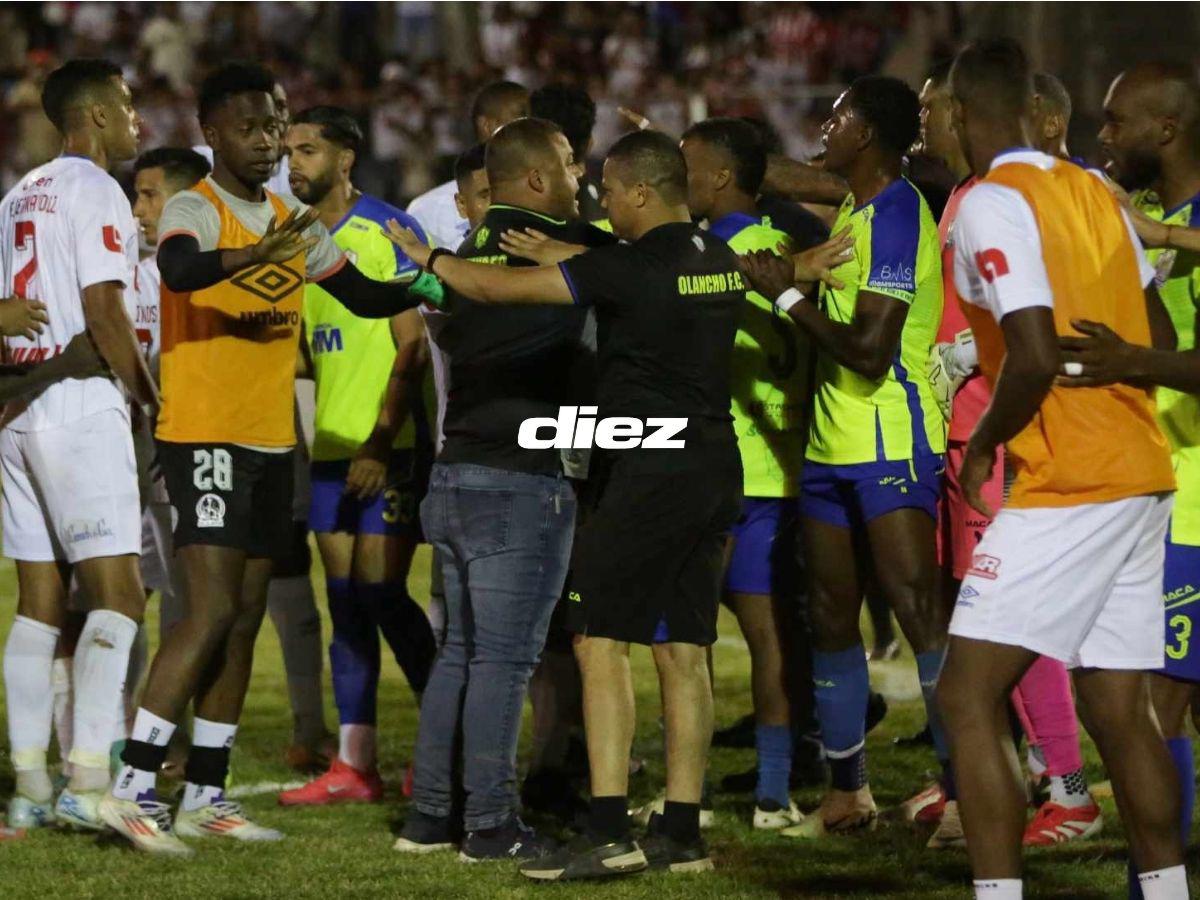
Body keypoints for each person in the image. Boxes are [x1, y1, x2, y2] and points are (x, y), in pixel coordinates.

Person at [388, 129, 848, 880]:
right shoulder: (710, 258)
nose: (602, 198)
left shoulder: (627, 269)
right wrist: (801, 267)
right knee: (685, 648)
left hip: (646, 468)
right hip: (714, 464)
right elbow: (728, 273)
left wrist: (432, 260)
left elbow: (493, 289)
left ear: (638, 191)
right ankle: (682, 832)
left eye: (608, 186)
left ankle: (609, 832)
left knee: (597, 639)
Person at [104, 62, 437, 856]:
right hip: (205, 433)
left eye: (276, 124)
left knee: (246, 615)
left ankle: (208, 794)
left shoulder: (292, 214)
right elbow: (178, 269)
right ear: (213, 133)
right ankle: (134, 785)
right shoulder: (198, 206)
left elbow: (360, 292)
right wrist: (259, 255)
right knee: (210, 610)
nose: (268, 141)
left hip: (269, 438)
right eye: (252, 127)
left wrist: (442, 283)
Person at [934, 39, 1186, 900]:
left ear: (966, 114)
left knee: (967, 697)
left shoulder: (990, 202)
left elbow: (1033, 353)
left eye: (940, 111)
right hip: (1141, 466)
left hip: (1068, 478)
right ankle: (1166, 890)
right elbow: (1159, 343)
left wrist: (979, 445)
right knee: (1121, 710)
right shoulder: (1093, 191)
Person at [391, 117, 613, 862]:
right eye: (570, 169)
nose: (582, 180)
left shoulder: (471, 261)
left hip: (453, 473)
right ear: (540, 181)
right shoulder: (561, 262)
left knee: (459, 651)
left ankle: (428, 817)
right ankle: (490, 825)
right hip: (519, 484)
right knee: (503, 662)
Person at [741, 76, 949, 839]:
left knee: (917, 610)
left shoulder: (897, 213)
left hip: (889, 437)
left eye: (838, 116)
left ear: (868, 134)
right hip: (830, 443)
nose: (825, 125)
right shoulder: (858, 209)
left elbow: (869, 350)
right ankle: (847, 791)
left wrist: (784, 298)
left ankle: (964, 789)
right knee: (831, 614)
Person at [913, 62, 1101, 850]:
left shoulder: (1013, 198)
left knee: (1010, 621)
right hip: (969, 430)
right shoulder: (966, 196)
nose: (928, 122)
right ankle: (1024, 768)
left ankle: (1071, 790)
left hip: (1002, 437)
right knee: (984, 619)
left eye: (937, 109)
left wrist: (970, 362)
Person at [0, 58, 160, 835]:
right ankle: (89, 781)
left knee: (37, 607)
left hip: (18, 414)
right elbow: (103, 308)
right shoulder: (96, 190)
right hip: (78, 406)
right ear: (95, 117)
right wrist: (147, 399)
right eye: (129, 110)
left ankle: (29, 782)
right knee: (118, 595)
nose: (139, 125)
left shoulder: (15, 195)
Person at [276, 105, 437, 807]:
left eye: (307, 150)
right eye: (289, 151)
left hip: (387, 447)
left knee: (382, 594)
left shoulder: (386, 231)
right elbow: (318, 352)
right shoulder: (298, 242)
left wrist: (381, 441)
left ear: (345, 158)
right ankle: (355, 765)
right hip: (334, 449)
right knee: (346, 605)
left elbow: (413, 343)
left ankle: (444, 745)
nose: (293, 164)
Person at [678, 116, 810, 830]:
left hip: (720, 471)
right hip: (781, 472)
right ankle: (773, 793)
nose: (678, 179)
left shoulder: (707, 252)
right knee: (770, 636)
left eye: (686, 166)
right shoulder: (791, 247)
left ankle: (685, 792)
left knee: (686, 635)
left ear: (721, 176)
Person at [1092, 61, 1200, 895]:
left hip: (1196, 501)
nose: (1105, 137)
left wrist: (1132, 360)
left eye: (1116, 122)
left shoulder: (1182, 229)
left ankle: (1153, 885)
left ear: (1165, 130)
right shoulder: (1163, 222)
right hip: (1167, 486)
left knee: (1154, 707)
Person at [406, 80, 529, 250]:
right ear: (488, 125)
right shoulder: (427, 211)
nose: (534, 129)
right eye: (522, 118)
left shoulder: (555, 196)